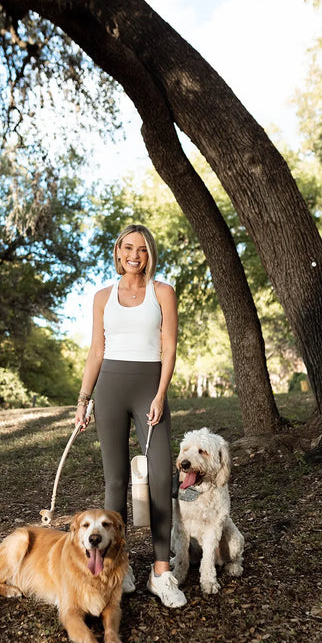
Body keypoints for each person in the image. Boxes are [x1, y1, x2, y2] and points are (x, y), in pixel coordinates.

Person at [74, 224, 186, 608]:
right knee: (115, 480)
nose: (133, 254)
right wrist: (83, 399)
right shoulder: (103, 296)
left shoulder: (163, 293)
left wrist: (160, 393)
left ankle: (161, 572)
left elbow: (169, 348)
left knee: (158, 475)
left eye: (140, 248)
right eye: (127, 247)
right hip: (109, 390)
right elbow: (96, 351)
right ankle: (117, 568)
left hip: (148, 390)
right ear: (118, 252)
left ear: (149, 253)